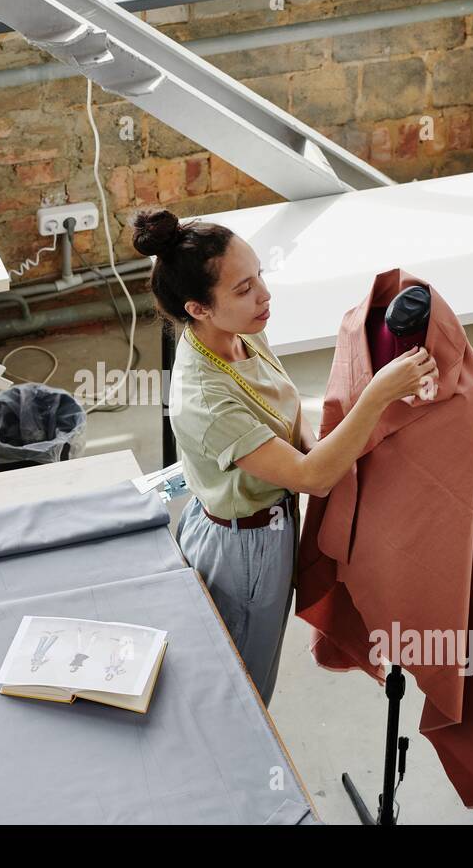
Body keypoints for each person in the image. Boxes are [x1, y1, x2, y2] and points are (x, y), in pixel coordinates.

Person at [133, 208, 435, 706]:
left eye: (259, 277)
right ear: (199, 309)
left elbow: (294, 432)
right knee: (242, 693)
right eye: (243, 288)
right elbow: (310, 477)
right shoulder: (205, 399)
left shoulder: (241, 333)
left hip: (259, 525)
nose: (264, 296)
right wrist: (377, 397)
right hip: (244, 548)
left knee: (237, 672)